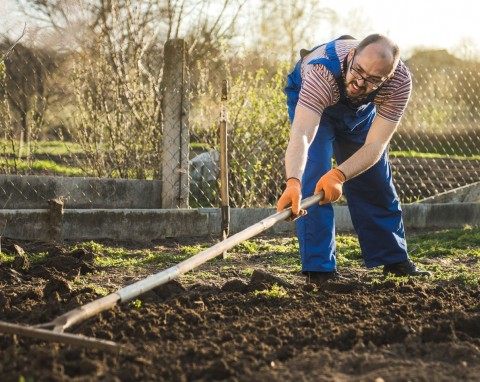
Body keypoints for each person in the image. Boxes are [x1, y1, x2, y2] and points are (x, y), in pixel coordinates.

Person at [276, 34, 431, 285]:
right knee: (314, 175)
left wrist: (339, 175)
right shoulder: (321, 72)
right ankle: (320, 269)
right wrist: (293, 182)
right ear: (352, 55)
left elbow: (375, 145)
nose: (359, 82)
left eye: (372, 80)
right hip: (315, 103)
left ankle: (393, 258)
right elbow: (303, 134)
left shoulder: (399, 83)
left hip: (358, 112)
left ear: (387, 78)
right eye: (357, 70)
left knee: (375, 178)